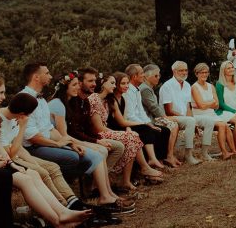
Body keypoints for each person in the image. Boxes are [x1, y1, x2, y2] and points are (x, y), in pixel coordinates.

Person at [0, 81, 91, 228]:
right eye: (0, 93)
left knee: (33, 173)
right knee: (26, 178)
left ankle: (61, 212)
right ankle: (57, 221)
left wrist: (11, 164)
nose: (4, 97)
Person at [45, 70, 135, 212]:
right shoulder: (60, 105)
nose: (77, 87)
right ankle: (103, 195)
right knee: (100, 151)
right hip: (55, 143)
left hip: (70, 139)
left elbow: (80, 130)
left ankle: (107, 193)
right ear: (65, 87)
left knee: (106, 148)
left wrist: (94, 140)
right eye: (74, 85)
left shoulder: (74, 102)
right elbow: (65, 135)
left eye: (77, 85)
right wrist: (93, 143)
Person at [90, 73, 163, 188]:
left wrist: (127, 130)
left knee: (132, 136)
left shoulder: (107, 100)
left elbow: (122, 120)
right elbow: (98, 128)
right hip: (98, 133)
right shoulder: (94, 99)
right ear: (103, 84)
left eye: (115, 83)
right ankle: (143, 168)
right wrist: (120, 133)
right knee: (131, 136)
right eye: (112, 83)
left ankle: (127, 180)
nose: (114, 86)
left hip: (106, 131)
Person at [109, 71, 167, 170]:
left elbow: (127, 116)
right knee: (145, 129)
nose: (126, 86)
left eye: (127, 83)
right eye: (123, 83)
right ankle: (149, 163)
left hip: (125, 125)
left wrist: (146, 123)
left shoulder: (122, 98)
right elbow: (123, 120)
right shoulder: (114, 99)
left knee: (161, 130)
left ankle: (156, 159)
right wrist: (144, 124)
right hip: (115, 127)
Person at [124, 64, 179, 167]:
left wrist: (149, 123)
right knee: (150, 130)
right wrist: (146, 124)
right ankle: (152, 160)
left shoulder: (137, 90)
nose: (143, 75)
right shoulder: (128, 91)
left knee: (164, 130)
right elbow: (130, 114)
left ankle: (160, 159)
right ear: (134, 77)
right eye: (141, 73)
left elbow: (141, 111)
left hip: (140, 120)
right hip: (131, 122)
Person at [159, 61, 202, 165]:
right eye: (181, 70)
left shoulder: (187, 85)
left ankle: (190, 154)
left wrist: (193, 120)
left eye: (186, 70)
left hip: (181, 118)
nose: (184, 73)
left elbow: (188, 107)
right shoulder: (167, 86)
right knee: (190, 121)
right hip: (167, 117)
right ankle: (188, 156)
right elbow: (168, 110)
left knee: (192, 120)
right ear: (174, 71)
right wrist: (188, 119)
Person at [138, 64, 182, 164]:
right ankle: (168, 156)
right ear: (146, 76)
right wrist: (165, 117)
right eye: (155, 76)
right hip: (149, 119)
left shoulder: (148, 88)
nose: (158, 78)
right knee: (173, 125)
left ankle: (168, 155)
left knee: (173, 124)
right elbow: (154, 108)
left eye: (159, 76)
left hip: (152, 117)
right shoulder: (145, 89)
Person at [191, 63, 234, 160]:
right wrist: (210, 103)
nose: (204, 75)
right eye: (202, 73)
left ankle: (233, 150)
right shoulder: (194, 87)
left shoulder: (211, 86)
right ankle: (224, 152)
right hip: (199, 115)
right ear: (196, 74)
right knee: (222, 125)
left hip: (211, 114)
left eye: (206, 72)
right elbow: (201, 106)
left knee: (226, 126)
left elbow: (217, 104)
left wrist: (207, 104)